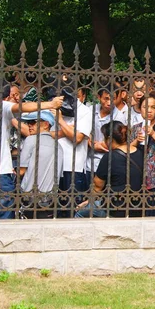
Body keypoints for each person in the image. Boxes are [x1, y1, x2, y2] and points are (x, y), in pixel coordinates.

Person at [0, 83, 63, 219]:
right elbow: (24, 107)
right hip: (1, 169)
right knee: (5, 211)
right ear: (6, 96)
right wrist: (50, 104)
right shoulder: (2, 106)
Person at [85, 121, 144, 218]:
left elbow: (97, 187)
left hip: (113, 208)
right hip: (136, 207)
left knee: (80, 214)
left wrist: (88, 202)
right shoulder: (140, 153)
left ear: (109, 139)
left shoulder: (109, 157)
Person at [56, 86, 93, 216]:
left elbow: (77, 138)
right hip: (54, 166)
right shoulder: (56, 106)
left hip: (73, 167)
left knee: (71, 210)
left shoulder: (84, 111)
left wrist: (60, 121)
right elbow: (46, 133)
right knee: (55, 211)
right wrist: (68, 130)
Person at [18, 110, 63, 194]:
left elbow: (21, 171)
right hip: (49, 197)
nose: (29, 126)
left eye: (32, 122)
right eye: (28, 123)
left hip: (29, 194)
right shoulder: (59, 147)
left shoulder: (31, 140)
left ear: (46, 124)